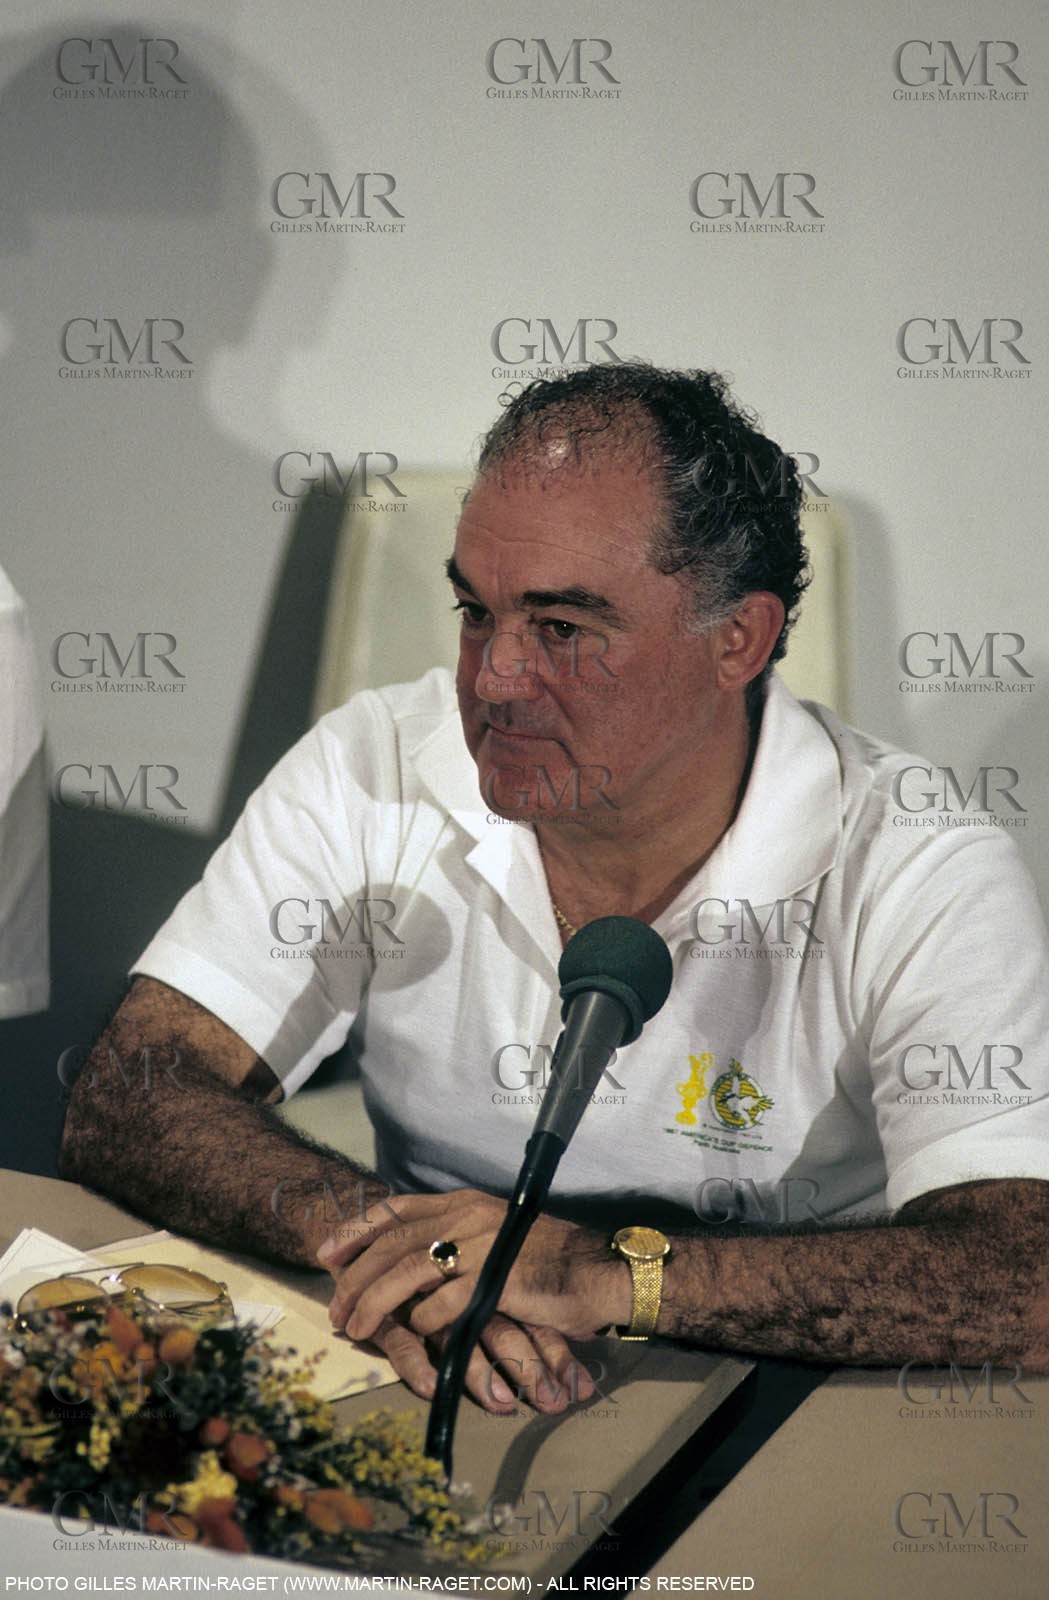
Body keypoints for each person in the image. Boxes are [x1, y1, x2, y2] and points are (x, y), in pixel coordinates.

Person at [60, 364, 1049, 1413]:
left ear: (737, 640)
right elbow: (133, 1085)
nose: (491, 678)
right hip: (453, 1364)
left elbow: (1020, 1282)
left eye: (562, 630)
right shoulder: (373, 765)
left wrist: (595, 1271)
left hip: (792, 1393)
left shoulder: (918, 859)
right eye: (473, 612)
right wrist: (403, 1248)